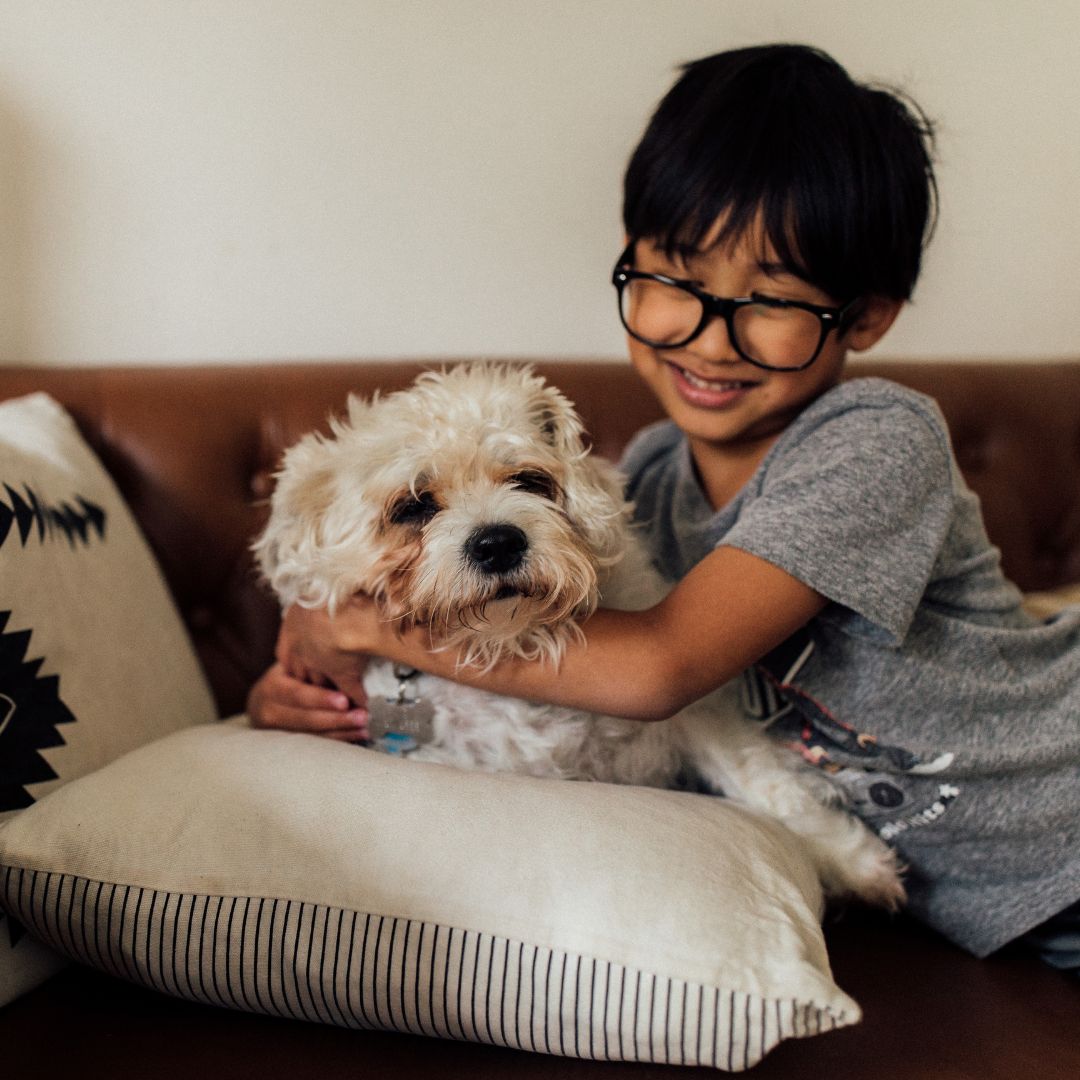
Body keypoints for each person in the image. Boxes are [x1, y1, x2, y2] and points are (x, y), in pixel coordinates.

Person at [247, 44, 1080, 972]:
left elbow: (659, 668)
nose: (707, 337)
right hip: (992, 914)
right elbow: (515, 671)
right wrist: (309, 696)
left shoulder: (877, 438)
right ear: (629, 258)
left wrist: (354, 628)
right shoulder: (645, 474)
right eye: (674, 277)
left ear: (867, 316)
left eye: (770, 298)